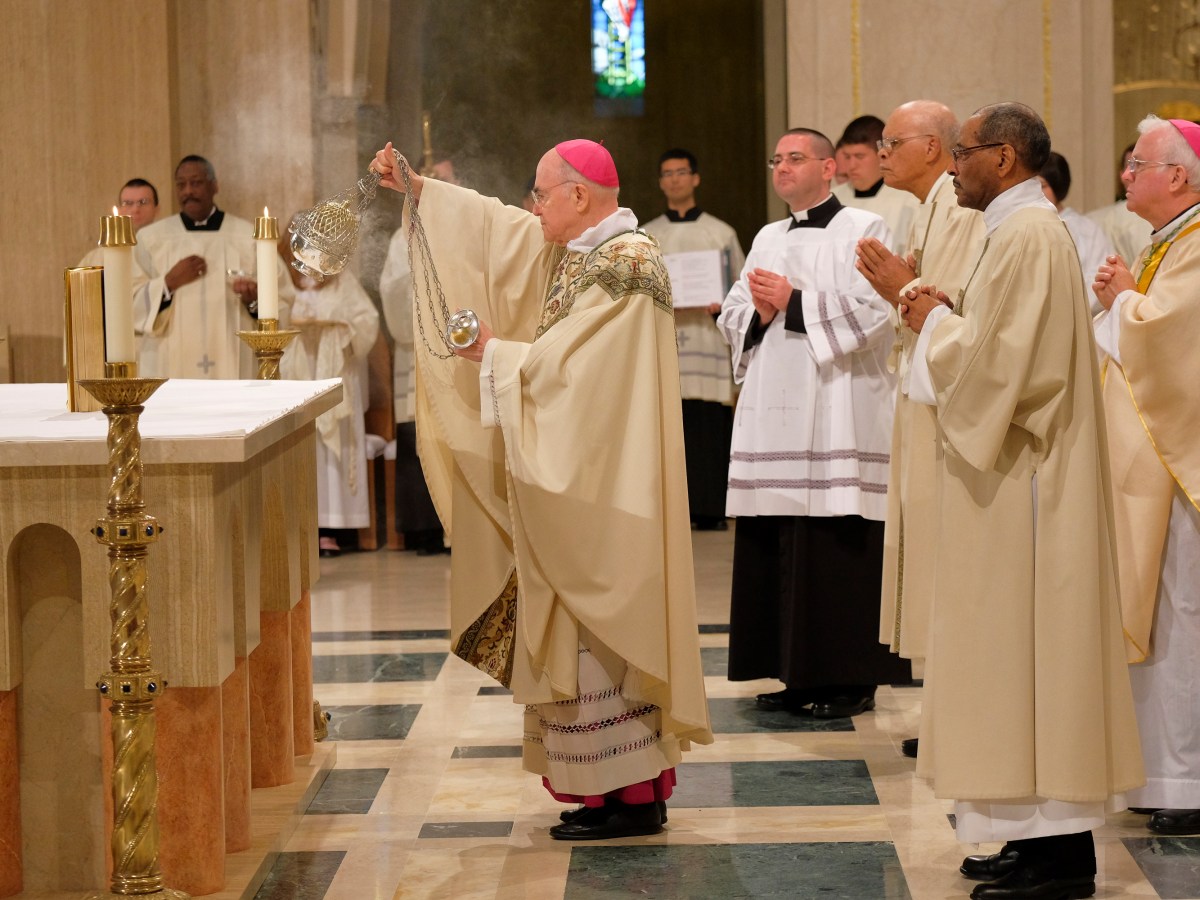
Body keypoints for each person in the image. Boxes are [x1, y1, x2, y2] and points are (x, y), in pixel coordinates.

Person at [370, 137, 712, 840]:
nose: (533, 206)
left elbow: (586, 381)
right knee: (579, 635)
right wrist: (421, 192)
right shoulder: (582, 252)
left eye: (542, 193)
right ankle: (609, 792)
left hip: (605, 486)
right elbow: (495, 228)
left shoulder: (627, 264)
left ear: (579, 196)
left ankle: (631, 798)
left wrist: (496, 355)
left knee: (603, 633)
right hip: (581, 480)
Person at [900, 101, 1143, 899]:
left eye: (962, 152)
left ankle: (1061, 856)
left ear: (1003, 157)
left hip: (1030, 479)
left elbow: (1008, 369)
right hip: (1010, 473)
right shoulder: (1014, 231)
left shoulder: (1030, 235)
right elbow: (999, 344)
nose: (953, 168)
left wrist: (928, 318)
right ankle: (1028, 833)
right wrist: (946, 318)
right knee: (1011, 661)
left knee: (1036, 655)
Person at [717, 127, 910, 720]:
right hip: (774, 413)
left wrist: (794, 300)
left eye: (795, 158)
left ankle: (850, 679)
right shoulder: (767, 236)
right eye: (776, 159)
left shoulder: (865, 229)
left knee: (836, 545)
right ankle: (795, 674)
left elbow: (879, 310)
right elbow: (734, 311)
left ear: (829, 169)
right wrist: (759, 311)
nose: (782, 167)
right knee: (779, 539)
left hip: (839, 412)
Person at [854, 100, 986, 758]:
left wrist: (904, 288)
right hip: (921, 395)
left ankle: (957, 714)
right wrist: (902, 289)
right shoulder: (927, 208)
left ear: (933, 147)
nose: (883, 153)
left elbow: (951, 304)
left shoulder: (959, 209)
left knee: (946, 556)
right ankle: (942, 711)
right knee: (926, 553)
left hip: (948, 406)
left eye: (893, 142)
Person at [1093, 115, 1200, 838]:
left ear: (1179, 176)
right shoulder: (1166, 242)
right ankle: (1157, 773)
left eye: (1138, 164)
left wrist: (1123, 302)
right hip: (1150, 468)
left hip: (1180, 468)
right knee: (1159, 616)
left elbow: (1171, 342)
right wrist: (1127, 300)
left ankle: (1186, 782)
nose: (1126, 175)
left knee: (1182, 618)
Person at [642, 148, 745, 531]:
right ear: (660, 182)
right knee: (671, 425)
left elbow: (739, 288)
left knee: (709, 424)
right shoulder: (647, 235)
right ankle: (673, 511)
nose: (674, 179)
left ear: (695, 178)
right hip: (667, 341)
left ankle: (711, 508)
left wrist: (720, 304)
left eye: (681, 172)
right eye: (667, 174)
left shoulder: (720, 233)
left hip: (706, 338)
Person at [131, 155, 295, 379]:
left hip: (233, 359)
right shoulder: (151, 239)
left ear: (214, 185)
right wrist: (168, 283)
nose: (188, 191)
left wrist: (255, 301)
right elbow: (129, 303)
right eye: (181, 185)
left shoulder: (248, 236)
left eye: (196, 183)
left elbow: (282, 299)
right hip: (170, 363)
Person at [279, 231, 380, 558]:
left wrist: (339, 330)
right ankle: (302, 524)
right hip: (297, 377)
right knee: (304, 445)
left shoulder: (341, 282)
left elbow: (366, 319)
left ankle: (334, 526)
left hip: (334, 374)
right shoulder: (280, 282)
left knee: (331, 446)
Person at [378, 158, 458, 555]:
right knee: (419, 434)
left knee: (455, 430)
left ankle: (460, 526)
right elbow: (393, 290)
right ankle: (424, 529)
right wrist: (421, 273)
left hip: (458, 349)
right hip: (418, 349)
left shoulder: (462, 227)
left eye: (444, 179)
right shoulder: (402, 236)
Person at [1037, 151, 1115, 313]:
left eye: (1043, 186)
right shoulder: (1026, 225)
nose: (1037, 193)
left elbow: (1099, 277)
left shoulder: (1085, 229)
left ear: (1058, 186)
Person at [832, 115, 919, 255]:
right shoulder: (833, 198)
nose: (851, 165)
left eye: (859, 156)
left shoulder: (908, 199)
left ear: (882, 154)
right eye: (847, 157)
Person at [1087, 142, 1153, 267]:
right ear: (1121, 174)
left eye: (1139, 167)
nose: (1130, 175)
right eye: (1129, 166)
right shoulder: (1092, 220)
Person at [78, 178, 161, 267]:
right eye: (128, 203)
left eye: (143, 202)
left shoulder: (167, 251)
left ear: (157, 209)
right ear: (119, 210)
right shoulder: (95, 259)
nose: (135, 209)